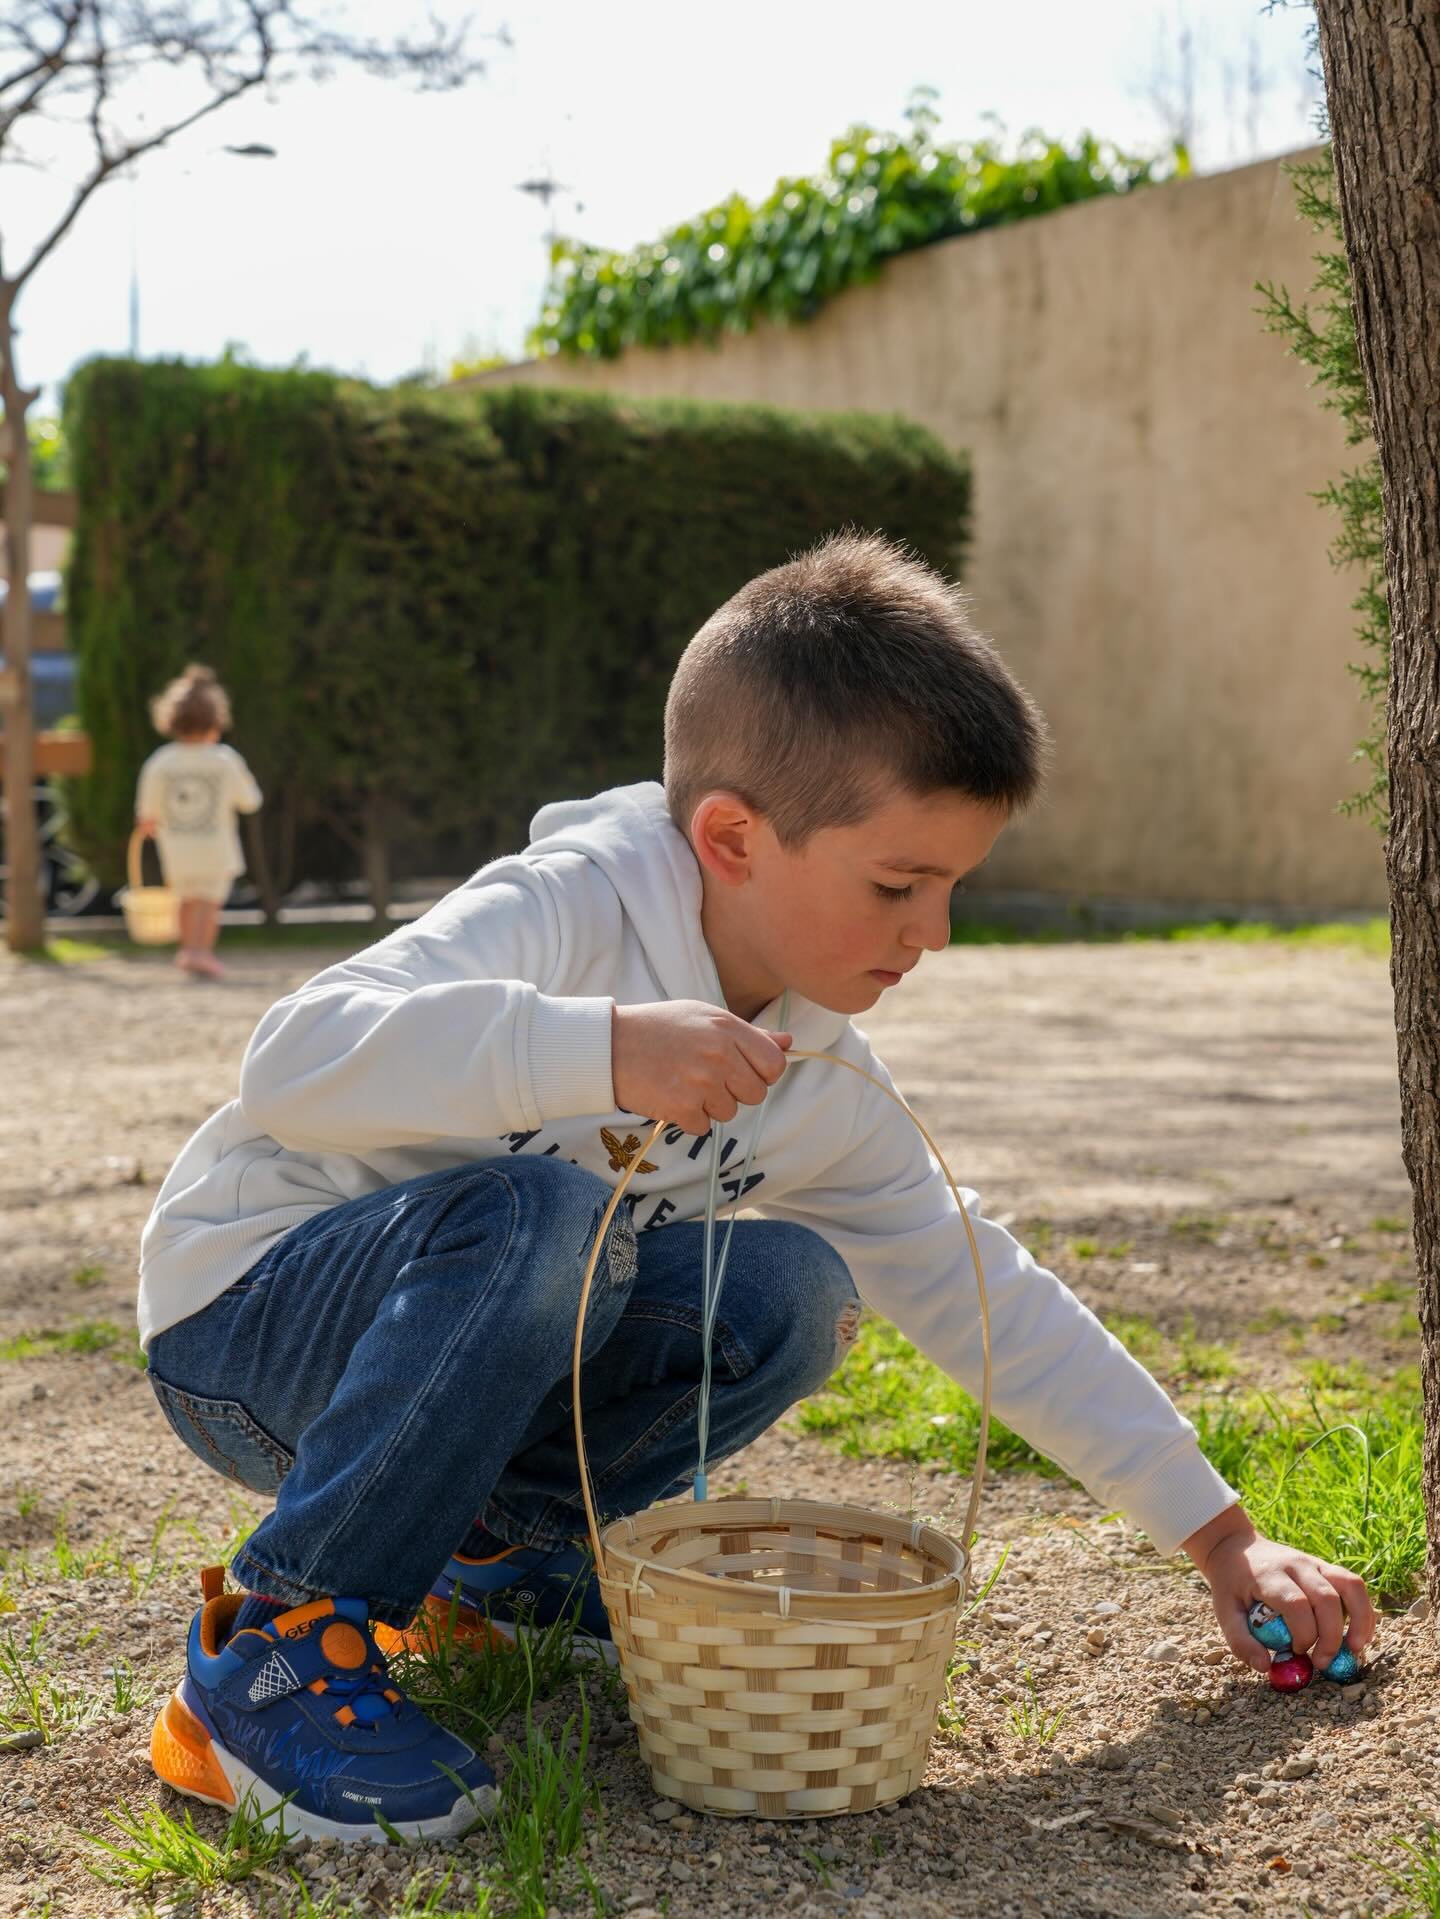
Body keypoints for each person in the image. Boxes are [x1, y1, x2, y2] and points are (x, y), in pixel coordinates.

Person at [136, 533, 1374, 1843]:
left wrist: (1222, 1536)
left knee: (790, 1284)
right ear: (732, 835)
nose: (935, 931)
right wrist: (603, 1045)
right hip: (246, 1325)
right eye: (900, 883)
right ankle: (267, 1652)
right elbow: (293, 1058)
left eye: (954, 885)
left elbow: (977, 1284)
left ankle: (493, 1557)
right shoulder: (568, 908)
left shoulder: (823, 1075)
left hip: (445, 1385)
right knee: (543, 1219)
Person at [135, 664, 262, 979]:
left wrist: (149, 821)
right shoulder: (224, 760)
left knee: (186, 899)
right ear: (216, 720)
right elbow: (250, 801)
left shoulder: (160, 762)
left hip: (176, 846)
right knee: (209, 903)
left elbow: (146, 811)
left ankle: (187, 949)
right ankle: (201, 952)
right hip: (215, 847)